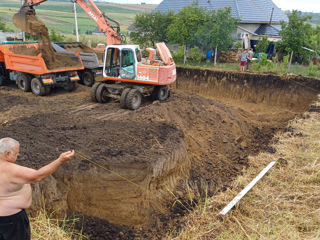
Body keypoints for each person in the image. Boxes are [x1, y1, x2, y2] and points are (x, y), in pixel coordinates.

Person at [0, 138, 74, 240]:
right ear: (7, 153)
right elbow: (37, 176)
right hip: (11, 221)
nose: (18, 155)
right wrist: (60, 160)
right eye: (16, 153)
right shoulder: (9, 170)